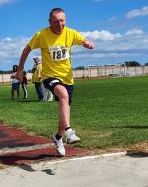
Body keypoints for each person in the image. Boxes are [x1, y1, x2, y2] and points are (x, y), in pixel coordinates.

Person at [16, 8, 94, 156]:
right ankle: (69, 132)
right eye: (56, 21)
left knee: (64, 112)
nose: (60, 24)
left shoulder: (71, 33)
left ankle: (58, 137)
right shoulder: (42, 35)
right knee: (63, 95)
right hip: (49, 75)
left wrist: (88, 43)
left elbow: (83, 40)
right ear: (50, 22)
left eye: (62, 20)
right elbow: (27, 49)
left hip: (67, 78)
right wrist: (20, 69)